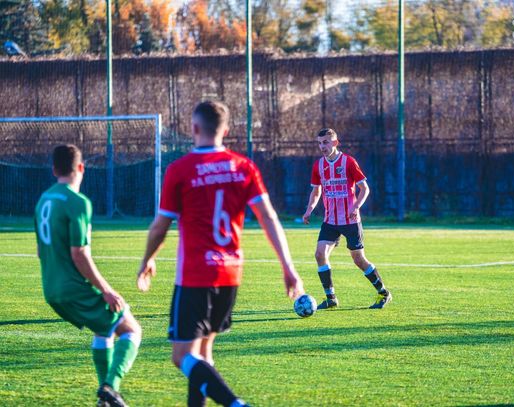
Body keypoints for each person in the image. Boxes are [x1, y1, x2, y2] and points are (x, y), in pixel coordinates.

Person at [137, 101, 304, 407]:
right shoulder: (243, 167)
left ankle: (235, 404)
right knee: (203, 354)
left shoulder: (180, 169)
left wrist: (147, 258)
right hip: (230, 273)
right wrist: (288, 267)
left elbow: (161, 225)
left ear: (194, 128)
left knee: (182, 356)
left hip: (195, 275)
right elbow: (268, 217)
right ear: (225, 130)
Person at [34, 145, 141, 407]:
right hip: (73, 287)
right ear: (81, 168)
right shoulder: (78, 202)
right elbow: (79, 254)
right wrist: (106, 290)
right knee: (131, 330)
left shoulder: (43, 200)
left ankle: (106, 401)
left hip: (51, 289)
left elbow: (40, 251)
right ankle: (110, 387)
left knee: (104, 329)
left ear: (54, 169)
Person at [302, 128, 392, 310]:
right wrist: (309, 209)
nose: (322, 146)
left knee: (358, 260)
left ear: (335, 143)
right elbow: (316, 191)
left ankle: (384, 293)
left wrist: (356, 206)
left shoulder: (348, 162)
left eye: (326, 142)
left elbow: (364, 189)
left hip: (350, 220)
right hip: (330, 221)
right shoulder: (318, 165)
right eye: (319, 143)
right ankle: (331, 298)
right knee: (320, 254)